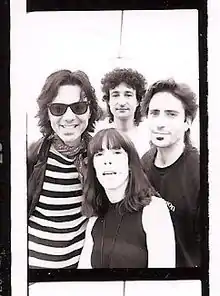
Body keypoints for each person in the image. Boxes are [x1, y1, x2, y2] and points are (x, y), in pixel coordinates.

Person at [27, 69, 99, 269]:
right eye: (58, 108)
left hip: (76, 273)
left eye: (78, 107)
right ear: (47, 112)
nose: (69, 117)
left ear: (90, 110)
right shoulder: (32, 156)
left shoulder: (99, 156)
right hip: (31, 273)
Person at [78, 128, 175, 268]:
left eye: (117, 153)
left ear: (130, 163)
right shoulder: (95, 218)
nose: (107, 161)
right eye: (99, 154)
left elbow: (162, 279)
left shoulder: (154, 210)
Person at [141, 79, 200, 267]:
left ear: (187, 122)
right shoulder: (144, 163)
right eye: (154, 113)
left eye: (171, 115)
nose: (160, 123)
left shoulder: (201, 172)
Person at [95, 68, 150, 157]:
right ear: (108, 100)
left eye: (128, 95)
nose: (122, 103)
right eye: (115, 95)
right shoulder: (98, 135)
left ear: (138, 100)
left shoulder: (148, 137)